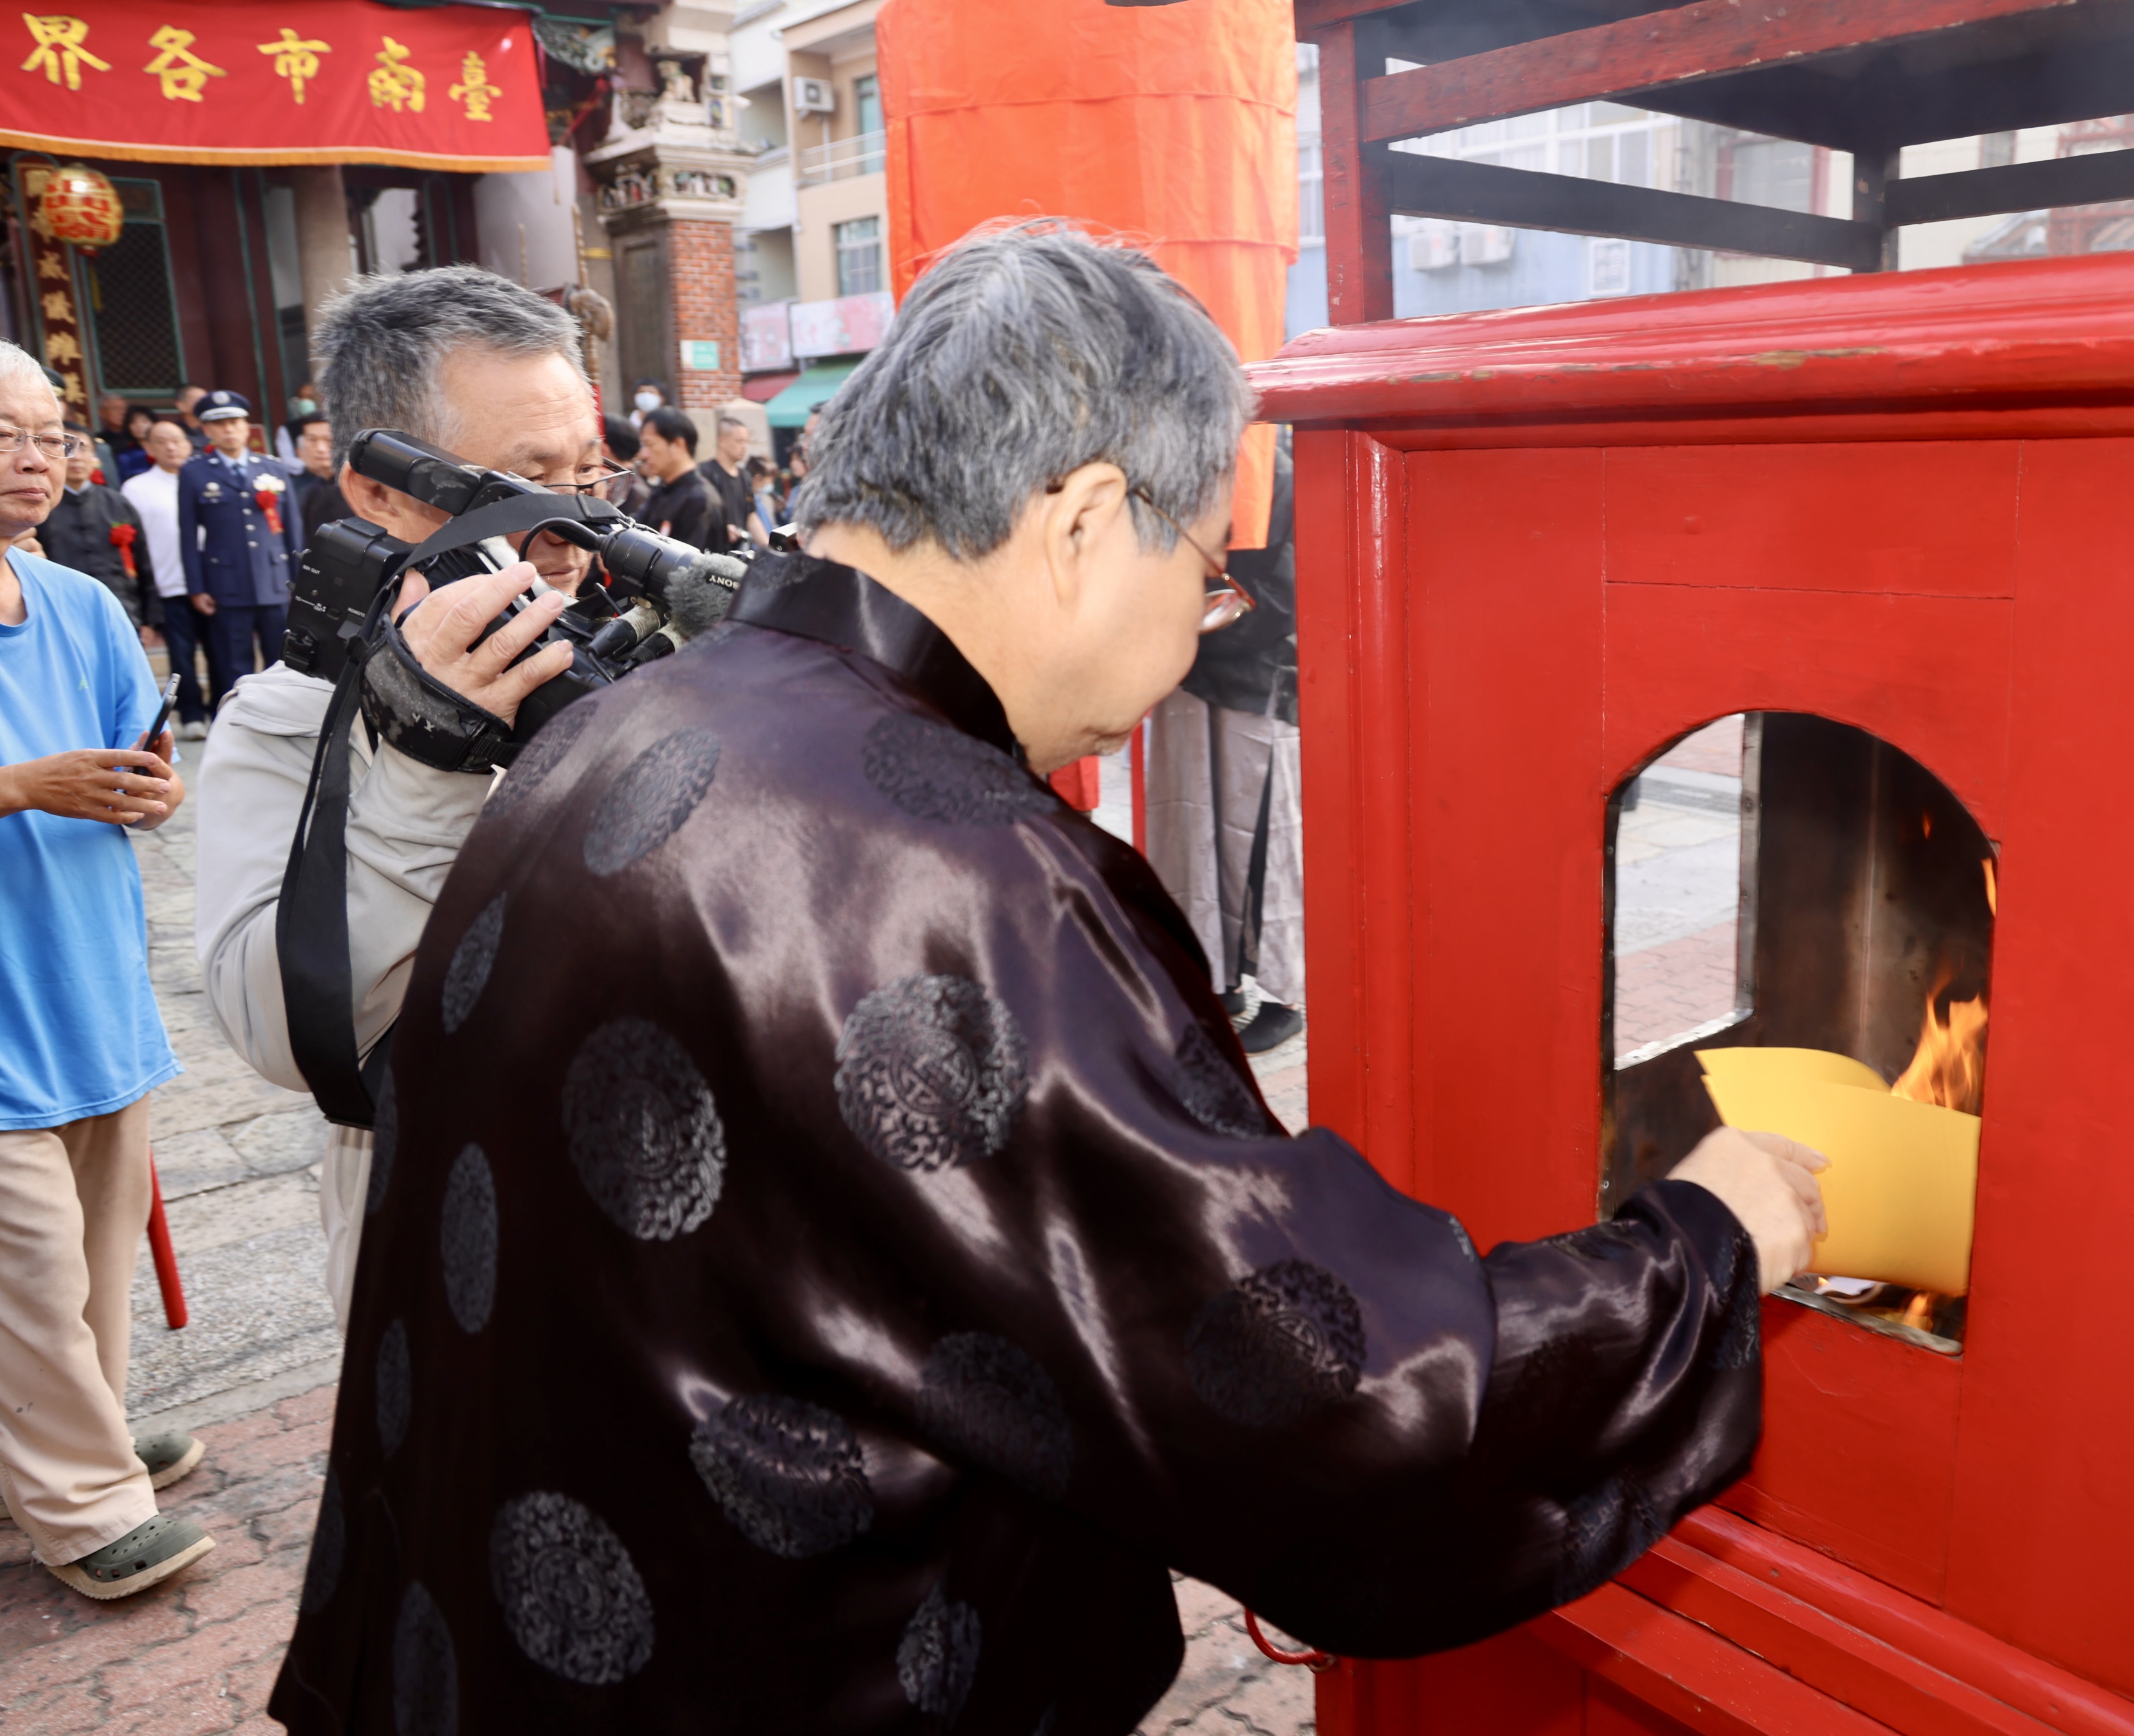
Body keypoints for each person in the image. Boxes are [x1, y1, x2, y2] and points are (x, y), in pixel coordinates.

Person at [266, 223, 1828, 1732]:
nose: (1195, 630)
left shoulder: (632, 721)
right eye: (1209, 575)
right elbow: (1308, 1385)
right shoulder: (946, 865)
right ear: (1084, 519)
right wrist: (1700, 1244)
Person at [196, 266, 609, 1326]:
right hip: (452, 1218)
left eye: (589, 476)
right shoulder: (286, 720)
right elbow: (281, 1032)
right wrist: (425, 764)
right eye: (527, 482)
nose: (575, 527)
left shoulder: (627, 653)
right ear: (380, 489)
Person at [0, 337, 213, 1603]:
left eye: (46, 433)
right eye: (3, 435)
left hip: (87, 984)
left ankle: (64, 1442)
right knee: (24, 1267)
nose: (33, 459)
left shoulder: (75, 602)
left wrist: (148, 790)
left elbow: (134, 754)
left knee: (87, 1258)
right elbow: (42, 775)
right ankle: (81, 1506)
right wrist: (23, 787)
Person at [1146, 426, 1304, 1053]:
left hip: (1253, 677)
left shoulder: (1281, 470)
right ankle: (1216, 976)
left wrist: (1189, 619)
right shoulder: (1180, 460)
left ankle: (1284, 992)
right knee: (1191, 838)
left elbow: (1282, 594)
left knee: (1260, 840)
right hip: (1187, 668)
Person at [177, 389, 304, 703]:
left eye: (235, 422)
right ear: (206, 430)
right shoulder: (194, 473)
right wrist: (197, 587)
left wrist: (299, 581)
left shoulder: (273, 469)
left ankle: (283, 717)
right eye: (219, 424)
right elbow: (188, 536)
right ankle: (238, 725)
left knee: (283, 660)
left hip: (276, 581)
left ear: (247, 427)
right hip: (226, 583)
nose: (229, 430)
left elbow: (293, 530)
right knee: (234, 662)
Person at [123, 419, 210, 739]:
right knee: (182, 656)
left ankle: (221, 708)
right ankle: (191, 714)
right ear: (148, 448)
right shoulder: (137, 488)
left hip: (213, 582)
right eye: (161, 441)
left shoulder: (207, 480)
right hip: (169, 582)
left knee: (220, 651)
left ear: (189, 443)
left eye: (177, 440)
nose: (171, 447)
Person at [36, 428, 145, 629]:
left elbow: (142, 559)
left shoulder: (117, 503)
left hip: (120, 610)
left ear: (95, 456)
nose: (77, 457)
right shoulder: (40, 505)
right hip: (59, 614)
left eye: (83, 448)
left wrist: (150, 619)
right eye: (66, 448)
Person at [635, 403, 728, 552]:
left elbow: (687, 567)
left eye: (650, 445)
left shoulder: (700, 501)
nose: (643, 455)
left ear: (679, 444)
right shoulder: (661, 492)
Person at [695, 413, 762, 548]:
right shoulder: (705, 473)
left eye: (746, 441)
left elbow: (751, 516)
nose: (744, 446)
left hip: (740, 552)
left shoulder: (745, 476)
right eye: (739, 441)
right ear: (722, 441)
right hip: (713, 553)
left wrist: (770, 548)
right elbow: (698, 516)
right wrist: (722, 528)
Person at [291, 418, 338, 549]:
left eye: (329, 440)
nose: (321, 449)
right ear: (299, 450)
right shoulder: (303, 489)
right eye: (312, 440)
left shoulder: (359, 487)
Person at [112, 404, 156, 481]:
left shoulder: (164, 449)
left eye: (144, 421)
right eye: (133, 422)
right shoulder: (125, 456)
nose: (139, 426)